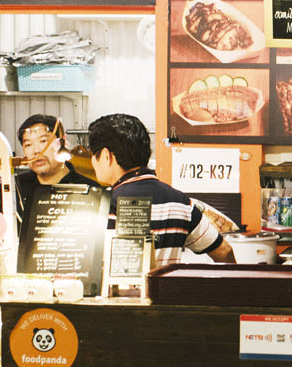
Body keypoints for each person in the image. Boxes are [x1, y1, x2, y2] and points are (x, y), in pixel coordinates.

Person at [0, 114, 103, 299]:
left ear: (62, 142)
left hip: (75, 291)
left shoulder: (90, 191)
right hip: (17, 289)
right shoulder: (10, 188)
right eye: (28, 144)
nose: (36, 151)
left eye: (44, 141)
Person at [86, 113, 234, 267]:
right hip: (166, 291)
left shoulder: (103, 206)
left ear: (105, 156)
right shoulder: (181, 203)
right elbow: (225, 251)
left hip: (115, 292)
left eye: (93, 156)